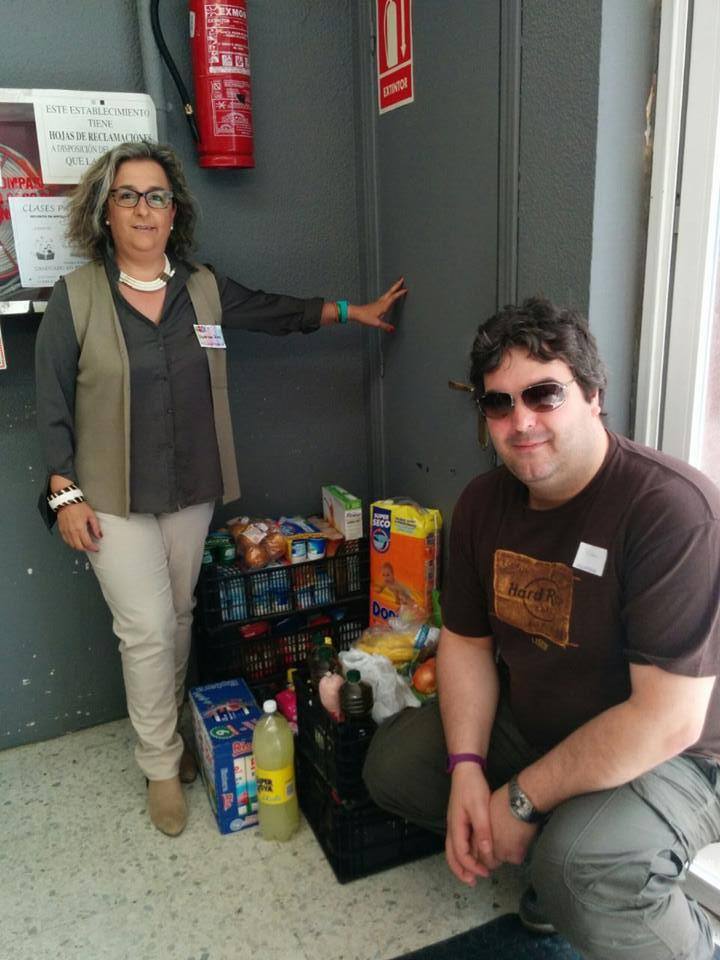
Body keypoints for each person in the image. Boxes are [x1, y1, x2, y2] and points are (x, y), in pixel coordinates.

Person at [35, 139, 405, 838]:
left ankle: (169, 730)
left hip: (191, 487)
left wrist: (350, 311)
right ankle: (159, 763)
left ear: (174, 212)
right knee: (146, 630)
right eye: (128, 196)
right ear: (105, 211)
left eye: (157, 196)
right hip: (110, 497)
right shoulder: (75, 297)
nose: (144, 210)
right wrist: (64, 494)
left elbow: (273, 311)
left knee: (176, 619)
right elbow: (52, 402)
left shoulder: (200, 287)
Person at [363, 297, 720, 960]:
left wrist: (521, 801)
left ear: (593, 395)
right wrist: (467, 770)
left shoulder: (671, 510)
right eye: (498, 403)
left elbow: (667, 720)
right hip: (539, 721)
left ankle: (624, 902)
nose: (520, 421)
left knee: (579, 869)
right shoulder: (483, 503)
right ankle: (559, 855)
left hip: (681, 755)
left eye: (543, 394)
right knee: (394, 769)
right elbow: (467, 643)